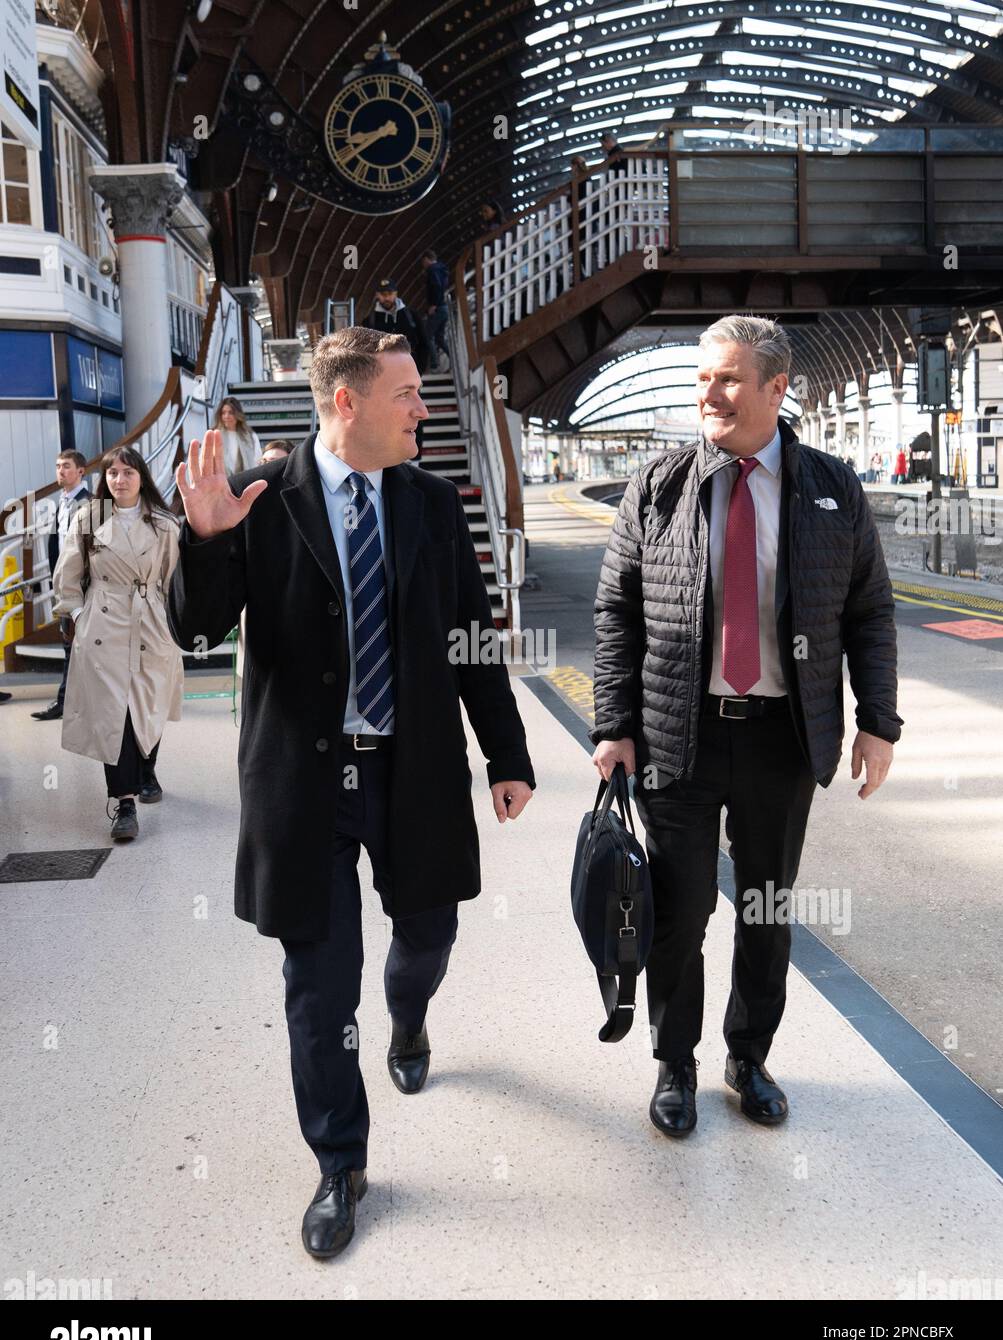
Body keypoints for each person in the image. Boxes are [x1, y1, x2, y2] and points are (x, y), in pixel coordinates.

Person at [167, 326, 535, 1260]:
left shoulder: (430, 502)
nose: (423, 408)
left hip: (411, 771)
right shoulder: (262, 499)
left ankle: (407, 1017)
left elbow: (469, 636)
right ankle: (340, 1163)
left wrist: (506, 753)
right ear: (347, 401)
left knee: (428, 933)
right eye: (407, 393)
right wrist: (205, 542)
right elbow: (195, 632)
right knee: (318, 986)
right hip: (304, 783)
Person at [591, 313, 902, 1139]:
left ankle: (747, 1057)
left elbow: (869, 610)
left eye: (728, 378)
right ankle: (673, 1065)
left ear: (775, 387)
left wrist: (880, 722)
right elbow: (615, 611)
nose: (710, 392)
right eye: (702, 378)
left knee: (764, 907)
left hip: (781, 739)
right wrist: (612, 723)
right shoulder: (657, 486)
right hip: (675, 735)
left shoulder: (831, 488)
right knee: (678, 909)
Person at [52, 446, 184, 842]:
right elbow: (68, 575)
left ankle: (147, 768)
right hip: (103, 625)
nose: (120, 480)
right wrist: (76, 615)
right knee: (114, 713)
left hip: (151, 622)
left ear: (141, 476)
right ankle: (124, 803)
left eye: (128, 472)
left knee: (149, 701)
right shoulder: (89, 518)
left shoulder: (164, 523)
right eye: (113, 473)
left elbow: (175, 580)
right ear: (104, 479)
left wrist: (175, 623)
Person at [33, 449, 92, 721]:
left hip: (85, 587)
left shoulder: (93, 503)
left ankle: (66, 702)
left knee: (83, 645)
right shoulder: (62, 502)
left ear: (81, 471)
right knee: (69, 644)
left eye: (66, 466)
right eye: (58, 466)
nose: (60, 471)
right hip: (65, 585)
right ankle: (68, 702)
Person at [362, 277, 428, 374]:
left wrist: (419, 370)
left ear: (396, 293)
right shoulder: (369, 321)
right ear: (377, 295)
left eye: (390, 294)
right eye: (383, 294)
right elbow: (366, 351)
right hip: (383, 374)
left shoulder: (412, 316)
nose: (387, 298)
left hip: (409, 371)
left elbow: (423, 343)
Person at [214, 396, 262, 476]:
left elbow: (257, 461)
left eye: (231, 412)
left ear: (238, 414)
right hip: (220, 483)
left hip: (245, 482)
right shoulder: (214, 436)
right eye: (223, 413)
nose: (226, 416)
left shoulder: (251, 436)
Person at [420, 249, 450, 372]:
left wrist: (433, 305)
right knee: (439, 338)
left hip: (437, 308)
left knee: (427, 336)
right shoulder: (443, 269)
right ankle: (453, 359)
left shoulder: (432, 270)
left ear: (426, 259)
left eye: (423, 261)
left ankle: (434, 364)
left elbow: (436, 286)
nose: (423, 265)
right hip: (444, 307)